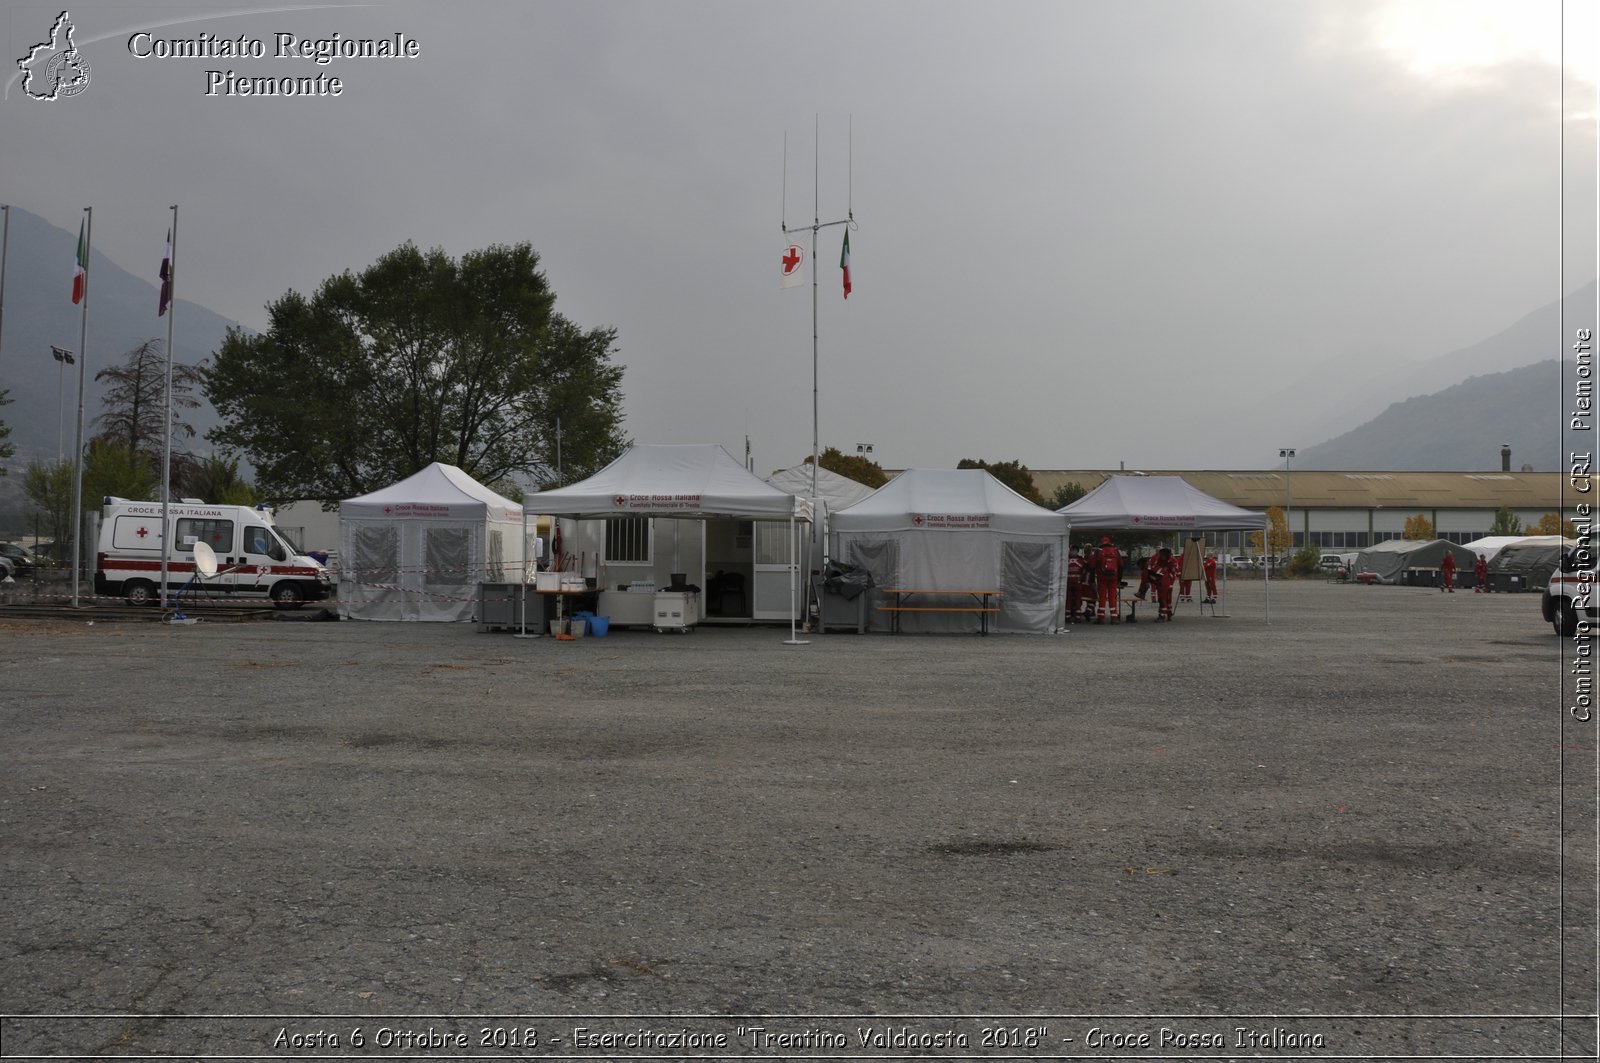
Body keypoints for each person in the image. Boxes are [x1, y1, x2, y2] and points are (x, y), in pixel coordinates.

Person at [1094, 536, 1123, 624]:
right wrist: (1119, 579)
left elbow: (1092, 565)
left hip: (1102, 578)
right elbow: (1121, 565)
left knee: (1102, 597)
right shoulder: (1115, 551)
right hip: (1113, 578)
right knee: (1112, 597)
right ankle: (1114, 617)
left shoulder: (1098, 551)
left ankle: (1101, 617)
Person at [1150, 546, 1177, 621]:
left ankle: (1162, 615)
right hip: (1168, 582)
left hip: (1163, 582)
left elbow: (1156, 571)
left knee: (1162, 598)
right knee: (1168, 599)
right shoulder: (1170, 562)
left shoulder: (1163, 563)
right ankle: (1168, 613)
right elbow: (1174, 572)